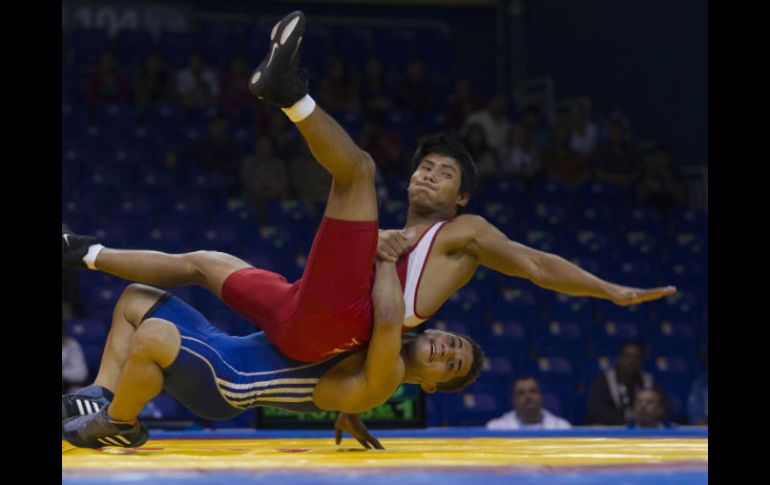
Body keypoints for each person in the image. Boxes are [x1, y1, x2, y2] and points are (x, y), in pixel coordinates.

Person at [63, 10, 675, 365]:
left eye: (446, 173)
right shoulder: (387, 233)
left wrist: (607, 290)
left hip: (340, 321)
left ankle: (288, 93)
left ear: (463, 197)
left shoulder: (464, 233)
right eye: (426, 167)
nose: (429, 174)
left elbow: (537, 265)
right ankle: (82, 250)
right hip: (301, 311)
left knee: (356, 171)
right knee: (202, 262)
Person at [62, 261, 483, 448]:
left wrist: (386, 256)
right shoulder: (378, 362)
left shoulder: (387, 369)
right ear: (440, 329)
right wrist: (351, 411)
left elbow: (391, 323)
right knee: (135, 298)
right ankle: (102, 393)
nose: (446, 350)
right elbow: (359, 365)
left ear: (431, 385)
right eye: (454, 343)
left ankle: (120, 422)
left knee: (153, 335)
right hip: (225, 345)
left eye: (451, 364)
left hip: (230, 386)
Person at [586, 341, 664, 425]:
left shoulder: (648, 380)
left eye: (636, 358)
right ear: (619, 358)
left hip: (642, 429)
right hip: (612, 429)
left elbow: (662, 407)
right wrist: (624, 418)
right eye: (627, 356)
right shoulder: (604, 380)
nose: (631, 361)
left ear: (641, 360)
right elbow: (596, 410)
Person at [486, 376, 571, 430]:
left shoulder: (561, 427)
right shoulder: (496, 428)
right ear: (513, 400)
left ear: (541, 396)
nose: (528, 396)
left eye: (533, 391)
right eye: (521, 393)